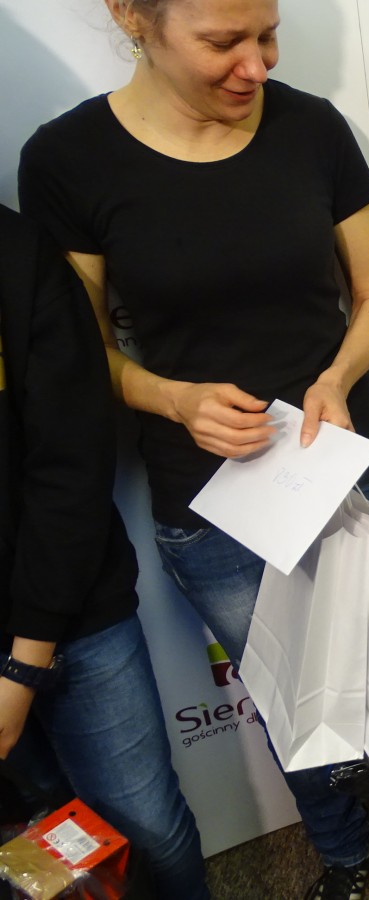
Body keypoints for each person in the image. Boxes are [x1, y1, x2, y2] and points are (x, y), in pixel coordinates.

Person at [16, 2, 369, 897]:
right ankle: (341, 851)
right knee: (293, 705)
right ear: (133, 17)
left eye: (269, 34)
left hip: (349, 467)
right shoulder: (67, 159)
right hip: (210, 502)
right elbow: (79, 353)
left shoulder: (313, 128)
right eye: (222, 42)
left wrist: (338, 376)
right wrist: (174, 399)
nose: (257, 65)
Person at [0, 203, 208, 898]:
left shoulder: (16, 251)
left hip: (73, 614)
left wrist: (22, 667)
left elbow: (71, 461)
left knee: (146, 830)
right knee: (37, 846)